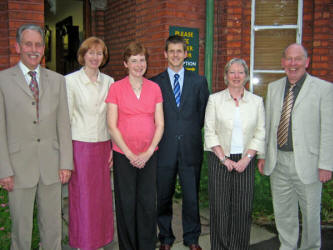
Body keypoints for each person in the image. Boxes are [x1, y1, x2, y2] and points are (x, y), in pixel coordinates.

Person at [0, 23, 73, 249]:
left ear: (44, 48)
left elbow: (64, 124)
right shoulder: (3, 80)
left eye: (39, 44)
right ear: (17, 47)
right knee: (21, 231)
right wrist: (4, 169)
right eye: (28, 44)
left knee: (52, 229)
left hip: (51, 165)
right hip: (18, 166)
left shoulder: (58, 80)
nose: (34, 49)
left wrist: (66, 163)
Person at [257, 43, 333, 250]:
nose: (293, 63)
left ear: (306, 62)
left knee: (310, 213)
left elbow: (328, 129)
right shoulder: (273, 88)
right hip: (278, 160)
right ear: (283, 63)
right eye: (288, 59)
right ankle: (287, 246)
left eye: (297, 59)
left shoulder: (324, 89)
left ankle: (310, 247)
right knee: (283, 211)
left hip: (308, 163)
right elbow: (268, 124)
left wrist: (326, 163)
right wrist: (263, 155)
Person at [151, 35, 209, 250]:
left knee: (191, 196)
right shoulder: (155, 83)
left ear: (186, 54)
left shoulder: (199, 81)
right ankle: (165, 237)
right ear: (165, 54)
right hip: (164, 148)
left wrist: (187, 131)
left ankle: (192, 238)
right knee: (163, 196)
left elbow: (203, 115)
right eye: (171, 51)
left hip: (190, 148)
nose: (175, 55)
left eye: (179, 51)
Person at [106, 41, 164, 250]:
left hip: (149, 155)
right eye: (134, 61)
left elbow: (160, 124)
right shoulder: (116, 88)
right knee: (126, 204)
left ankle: (147, 245)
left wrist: (148, 152)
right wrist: (130, 154)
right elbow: (112, 126)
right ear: (125, 63)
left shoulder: (155, 88)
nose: (139, 65)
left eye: (142, 60)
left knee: (148, 204)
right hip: (123, 155)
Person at [204, 58, 265, 250]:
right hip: (219, 159)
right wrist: (223, 158)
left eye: (240, 72)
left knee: (242, 210)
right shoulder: (215, 100)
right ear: (225, 76)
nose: (236, 76)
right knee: (220, 210)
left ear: (246, 76)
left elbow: (260, 132)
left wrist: (247, 158)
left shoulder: (256, 102)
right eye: (232, 72)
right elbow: (209, 131)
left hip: (245, 160)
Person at [65, 37, 114, 250]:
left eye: (99, 53)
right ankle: (83, 242)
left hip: (103, 146)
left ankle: (99, 240)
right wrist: (66, 155)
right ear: (83, 55)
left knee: (101, 198)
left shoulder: (110, 82)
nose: (95, 57)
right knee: (82, 198)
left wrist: (113, 147)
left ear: (104, 57)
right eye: (91, 52)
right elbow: (65, 119)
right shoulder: (70, 81)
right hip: (80, 146)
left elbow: (113, 119)